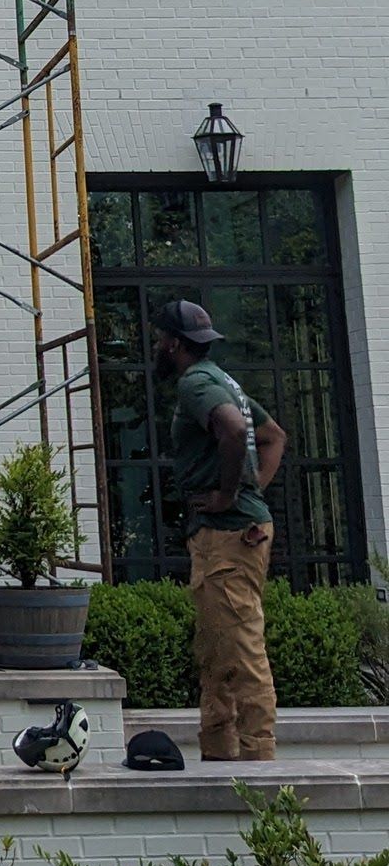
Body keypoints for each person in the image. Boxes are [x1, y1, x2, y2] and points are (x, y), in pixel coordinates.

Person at [153, 297, 288, 762]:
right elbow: (272, 437)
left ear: (172, 343)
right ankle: (219, 754)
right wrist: (251, 491)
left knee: (241, 648)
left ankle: (259, 762)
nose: (157, 345)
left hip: (229, 533)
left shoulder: (196, 382)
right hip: (228, 532)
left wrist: (232, 496)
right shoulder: (221, 379)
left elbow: (233, 431)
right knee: (216, 647)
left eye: (159, 338)